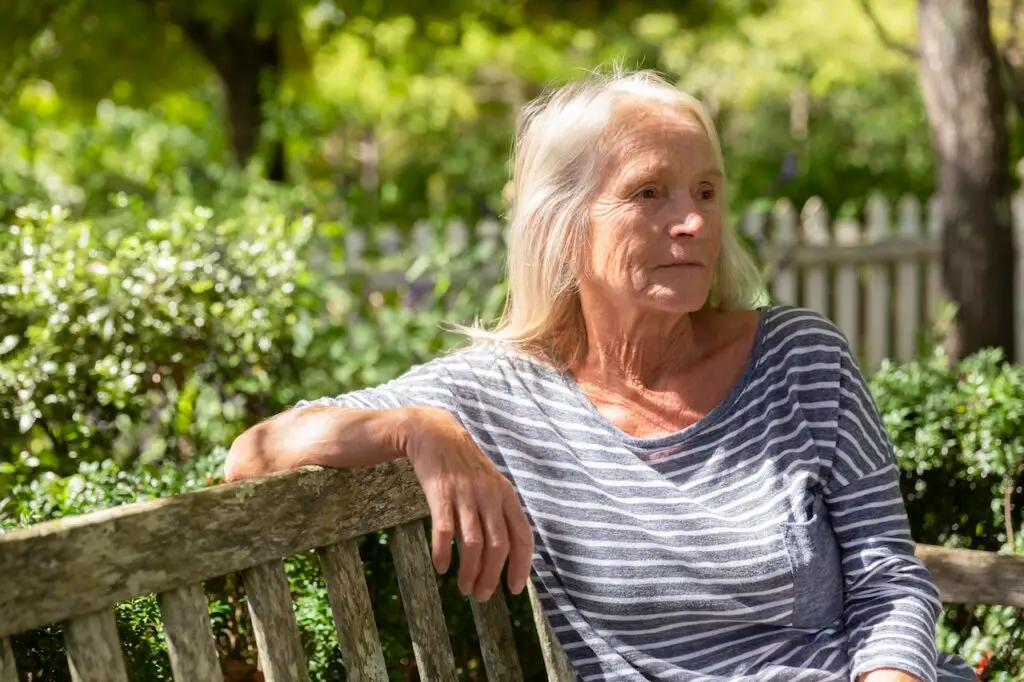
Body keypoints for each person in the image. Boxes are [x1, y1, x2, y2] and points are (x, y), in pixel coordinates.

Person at [225, 69, 978, 682]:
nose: (692, 222)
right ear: (563, 222)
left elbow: (888, 580)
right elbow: (252, 453)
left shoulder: (799, 357)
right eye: (651, 193)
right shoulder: (501, 394)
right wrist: (412, 425)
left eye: (706, 193)